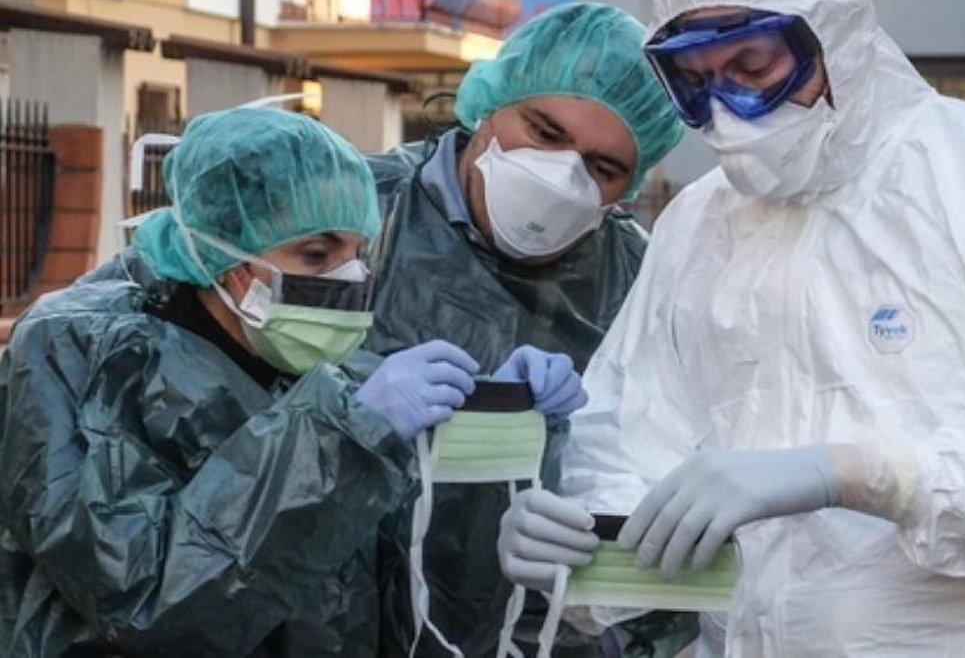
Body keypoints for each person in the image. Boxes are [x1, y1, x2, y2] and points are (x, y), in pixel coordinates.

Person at [496, 0, 965, 656]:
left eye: (753, 68)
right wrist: (584, 539)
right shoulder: (698, 222)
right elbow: (632, 436)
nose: (726, 112)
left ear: (832, 34)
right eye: (696, 81)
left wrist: (866, 476)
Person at [0, 106, 582, 657]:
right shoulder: (80, 352)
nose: (349, 278)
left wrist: (499, 427)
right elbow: (144, 598)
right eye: (316, 253)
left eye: (359, 253)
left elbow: (402, 581)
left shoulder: (330, 374)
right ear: (228, 255)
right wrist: (347, 438)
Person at [363, 2, 696, 658]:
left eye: (602, 168)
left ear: (629, 185)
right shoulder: (360, 215)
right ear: (489, 105)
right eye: (544, 131)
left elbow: (662, 477)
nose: (562, 175)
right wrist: (349, 411)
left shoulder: (639, 278)